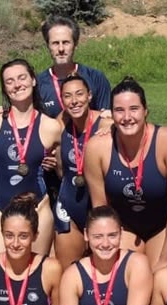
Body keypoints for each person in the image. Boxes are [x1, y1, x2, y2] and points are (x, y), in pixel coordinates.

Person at [85, 77, 167, 270]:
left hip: (162, 226)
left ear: (146, 111)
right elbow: (100, 209)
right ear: (111, 114)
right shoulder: (97, 148)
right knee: (124, 274)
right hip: (123, 227)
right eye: (119, 110)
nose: (127, 117)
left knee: (160, 276)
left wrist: (163, 263)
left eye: (134, 109)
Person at [0, 59, 62, 256]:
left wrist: (54, 165)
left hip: (38, 210)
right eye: (9, 81)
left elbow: (63, 173)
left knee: (36, 271)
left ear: (33, 80)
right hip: (0, 208)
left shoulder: (51, 127)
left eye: (22, 78)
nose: (17, 85)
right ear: (4, 88)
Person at [53, 75, 111, 267]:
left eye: (79, 94)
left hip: (100, 207)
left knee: (104, 271)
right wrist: (3, 111)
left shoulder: (105, 124)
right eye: (67, 96)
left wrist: (113, 122)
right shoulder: (61, 123)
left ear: (89, 95)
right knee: (67, 271)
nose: (74, 101)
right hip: (69, 206)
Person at [36, 15, 112, 119]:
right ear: (48, 46)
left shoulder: (96, 78)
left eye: (66, 42)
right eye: (55, 43)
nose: (61, 49)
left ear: (75, 44)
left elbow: (106, 119)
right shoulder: (38, 85)